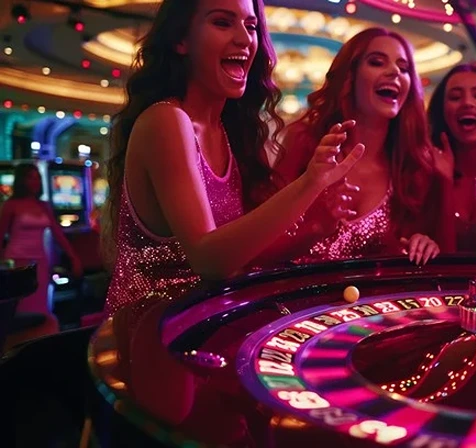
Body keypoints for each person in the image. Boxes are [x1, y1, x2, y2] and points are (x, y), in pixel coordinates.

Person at [101, 0, 362, 316]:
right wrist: (310, 182)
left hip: (201, 319)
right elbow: (208, 259)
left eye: (251, 27)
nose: (245, 39)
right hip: (147, 332)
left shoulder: (226, 131)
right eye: (223, 23)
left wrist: (315, 224)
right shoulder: (166, 120)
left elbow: (239, 255)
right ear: (181, 40)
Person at [274, 27, 447, 265]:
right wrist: (315, 226)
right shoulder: (304, 141)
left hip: (364, 302)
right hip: (291, 299)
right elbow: (259, 248)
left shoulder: (410, 168)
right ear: (350, 76)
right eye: (377, 62)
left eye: (404, 68)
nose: (394, 71)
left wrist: (422, 242)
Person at [426, 63, 476, 252]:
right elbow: (441, 258)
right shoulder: (425, 171)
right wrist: (444, 183)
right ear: (442, 112)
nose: (468, 103)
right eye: (455, 97)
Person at [0, 163, 82, 319]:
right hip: (17, 260)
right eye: (30, 177)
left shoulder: (44, 206)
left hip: (40, 260)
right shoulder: (11, 205)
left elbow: (58, 234)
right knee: (21, 306)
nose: (35, 181)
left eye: (37, 177)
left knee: (40, 303)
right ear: (21, 180)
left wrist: (73, 257)